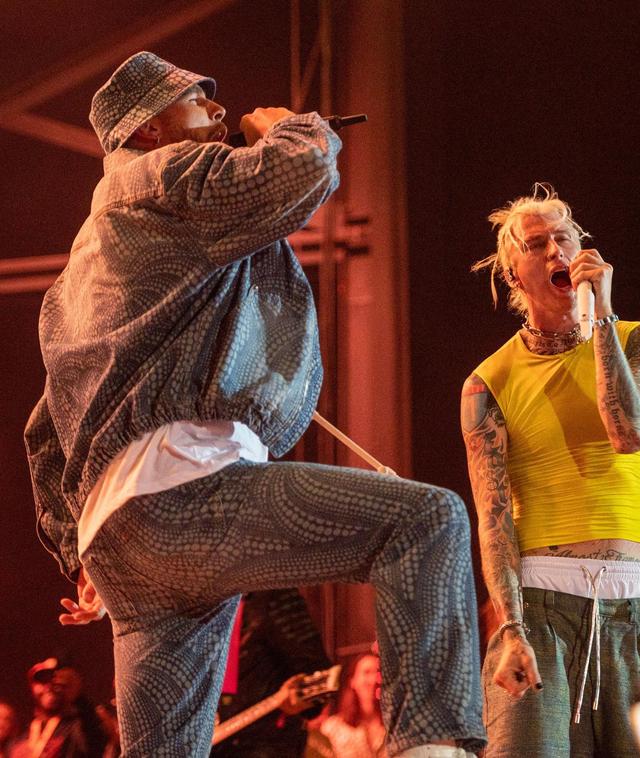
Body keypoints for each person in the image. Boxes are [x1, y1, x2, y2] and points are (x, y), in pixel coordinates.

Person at [24, 51, 484, 758]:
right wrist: (290, 128)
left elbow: (45, 430)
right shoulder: (167, 175)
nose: (218, 109)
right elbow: (299, 171)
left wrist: (74, 551)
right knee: (427, 522)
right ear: (145, 130)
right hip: (187, 492)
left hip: (121, 542)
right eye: (195, 100)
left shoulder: (77, 275)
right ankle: (432, 749)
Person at [461, 184, 640, 756]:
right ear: (513, 275)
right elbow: (492, 519)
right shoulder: (487, 383)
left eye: (563, 238)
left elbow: (628, 431)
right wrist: (510, 626)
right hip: (542, 606)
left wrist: (602, 316)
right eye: (536, 243)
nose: (555, 250)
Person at [211, 589, 333, 757]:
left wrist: (299, 700)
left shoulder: (273, 597)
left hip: (262, 746)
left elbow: (316, 669)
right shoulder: (199, 609)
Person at [10, 659, 91, 758]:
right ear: (32, 687)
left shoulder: (77, 727)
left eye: (55, 681)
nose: (49, 687)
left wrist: (78, 697)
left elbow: (93, 742)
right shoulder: (21, 734)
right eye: (42, 680)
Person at [318, 653, 388, 758]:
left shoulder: (395, 727)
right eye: (367, 672)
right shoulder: (333, 729)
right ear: (353, 681)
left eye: (378, 673)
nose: (373, 680)